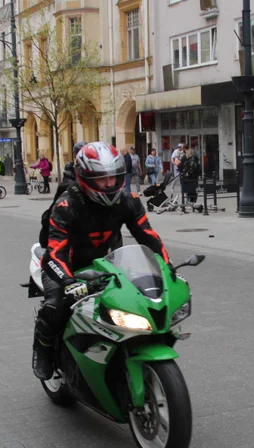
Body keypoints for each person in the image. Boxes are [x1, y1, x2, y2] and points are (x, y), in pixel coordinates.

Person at [32, 141, 171, 380]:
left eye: (114, 177)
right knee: (55, 306)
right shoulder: (67, 205)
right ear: (85, 177)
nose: (109, 184)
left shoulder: (128, 201)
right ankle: (42, 352)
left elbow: (148, 237)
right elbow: (56, 251)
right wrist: (68, 281)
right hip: (65, 267)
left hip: (108, 263)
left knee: (138, 299)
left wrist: (167, 269)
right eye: (101, 179)